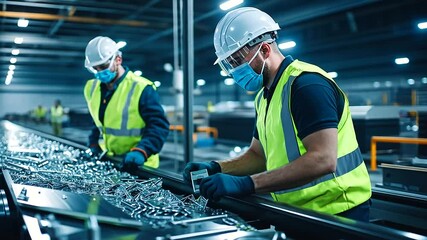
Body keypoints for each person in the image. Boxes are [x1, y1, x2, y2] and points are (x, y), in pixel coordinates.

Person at [183, 7, 372, 222]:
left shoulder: (306, 85)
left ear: (264, 50)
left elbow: (323, 159)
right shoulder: (263, 97)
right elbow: (257, 156)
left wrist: (247, 183)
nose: (234, 70)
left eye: (237, 61)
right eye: (230, 64)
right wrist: (216, 167)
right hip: (298, 212)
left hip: (337, 213)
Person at [83, 36, 170, 170]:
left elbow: (159, 126)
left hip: (141, 165)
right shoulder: (91, 88)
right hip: (112, 159)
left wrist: (142, 150)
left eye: (104, 66)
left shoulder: (141, 88)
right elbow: (98, 121)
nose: (100, 72)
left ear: (118, 59)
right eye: (95, 69)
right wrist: (93, 143)